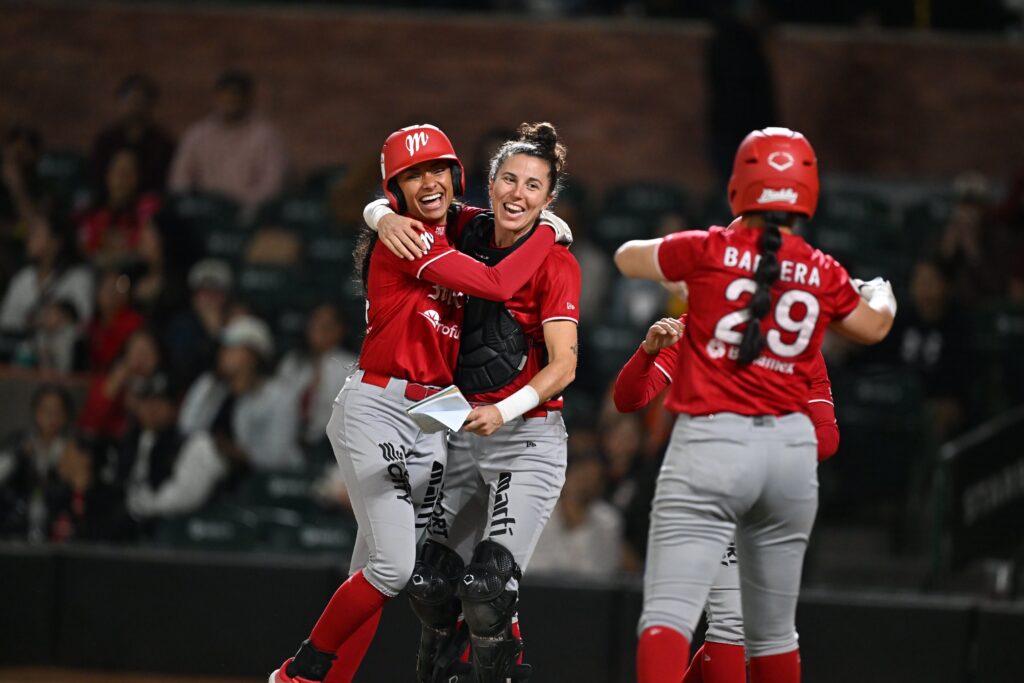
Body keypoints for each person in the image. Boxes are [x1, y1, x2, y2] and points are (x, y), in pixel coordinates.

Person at [269, 123, 570, 683]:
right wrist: (548, 232)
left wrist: (374, 210)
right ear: (396, 188)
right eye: (412, 175)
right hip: (380, 403)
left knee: (385, 572)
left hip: (433, 414)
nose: (428, 181)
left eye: (437, 169)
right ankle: (298, 673)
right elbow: (500, 285)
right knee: (393, 566)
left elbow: (501, 218)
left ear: (455, 177)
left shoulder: (457, 229)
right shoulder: (409, 236)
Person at [613, 127, 896, 683]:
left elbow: (626, 258)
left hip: (714, 447)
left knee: (671, 617)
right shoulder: (823, 273)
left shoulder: (712, 250)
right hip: (788, 458)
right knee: (771, 634)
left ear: (740, 188)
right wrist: (880, 288)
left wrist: (698, 260)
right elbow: (875, 326)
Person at [368, 122, 580, 683]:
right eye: (509, 179)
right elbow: (405, 199)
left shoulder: (558, 262)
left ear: (549, 199)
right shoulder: (464, 228)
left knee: (487, 591)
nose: (519, 194)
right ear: (489, 184)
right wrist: (380, 215)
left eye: (534, 187)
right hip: (460, 429)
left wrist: (503, 412)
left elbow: (565, 367)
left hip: (525, 436)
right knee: (430, 582)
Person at [614, 315, 842, 683]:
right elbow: (629, 398)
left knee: (751, 631)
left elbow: (827, 436)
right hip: (705, 484)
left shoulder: (796, 340)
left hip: (765, 492)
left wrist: (769, 446)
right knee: (728, 622)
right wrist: (647, 352)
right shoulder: (696, 326)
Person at [178, 314, 301, 472]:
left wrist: (236, 452)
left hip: (265, 480)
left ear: (253, 356)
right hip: (214, 472)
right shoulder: (210, 384)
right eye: (224, 348)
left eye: (232, 348)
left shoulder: (280, 396)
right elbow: (187, 427)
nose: (223, 354)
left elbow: (277, 456)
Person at [120, 372, 227, 536]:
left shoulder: (197, 443)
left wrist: (144, 506)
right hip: (138, 529)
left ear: (176, 406)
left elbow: (186, 498)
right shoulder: (133, 442)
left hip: (184, 532)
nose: (151, 408)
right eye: (146, 400)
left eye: (160, 401)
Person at [169, 70, 287, 213]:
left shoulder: (265, 135)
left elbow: (272, 185)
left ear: (248, 100)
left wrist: (244, 206)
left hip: (246, 213)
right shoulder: (197, 134)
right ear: (216, 97)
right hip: (203, 211)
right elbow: (180, 179)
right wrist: (192, 202)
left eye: (236, 96)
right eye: (225, 96)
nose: (229, 101)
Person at [276, 302, 357, 454]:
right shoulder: (292, 362)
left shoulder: (351, 365)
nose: (319, 330)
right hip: (289, 438)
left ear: (341, 330)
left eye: (326, 326)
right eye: (315, 324)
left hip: (332, 445)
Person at [0, 206, 94, 336]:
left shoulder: (78, 277)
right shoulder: (23, 278)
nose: (29, 236)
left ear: (56, 241)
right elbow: (5, 322)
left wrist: (62, 317)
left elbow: (84, 322)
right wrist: (33, 322)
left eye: (37, 231)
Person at [91, 73, 175, 194]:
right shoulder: (106, 139)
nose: (135, 106)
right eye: (131, 100)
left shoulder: (162, 143)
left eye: (141, 101)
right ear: (120, 102)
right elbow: (95, 177)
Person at [77, 147, 162, 267]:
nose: (123, 177)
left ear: (137, 177)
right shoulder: (93, 213)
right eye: (118, 170)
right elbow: (85, 251)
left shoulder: (148, 207)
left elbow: (150, 250)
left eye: (129, 172)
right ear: (107, 174)